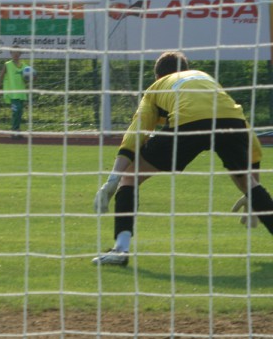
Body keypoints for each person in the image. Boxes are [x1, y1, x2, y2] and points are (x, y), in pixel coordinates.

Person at [92, 50, 273, 266]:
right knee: (248, 183)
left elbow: (136, 132)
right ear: (187, 70)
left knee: (130, 177)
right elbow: (250, 139)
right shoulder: (206, 79)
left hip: (188, 123)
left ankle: (120, 250)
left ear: (158, 76)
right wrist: (253, 187)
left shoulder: (157, 87)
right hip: (233, 122)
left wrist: (113, 178)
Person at [0, 45, 31, 139]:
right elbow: (1, 76)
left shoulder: (25, 66)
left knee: (19, 112)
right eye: (13, 52)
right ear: (11, 54)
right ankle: (14, 131)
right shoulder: (7, 64)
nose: (15, 54)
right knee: (16, 111)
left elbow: (27, 79)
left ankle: (16, 130)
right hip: (12, 93)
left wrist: (32, 78)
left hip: (21, 93)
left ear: (20, 54)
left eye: (17, 52)